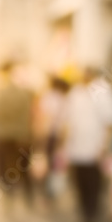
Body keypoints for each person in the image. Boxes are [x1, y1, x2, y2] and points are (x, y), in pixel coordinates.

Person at [61, 69, 112, 222]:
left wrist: (104, 146)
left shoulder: (102, 90)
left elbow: (109, 121)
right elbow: (68, 120)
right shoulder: (75, 93)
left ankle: (91, 213)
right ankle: (85, 212)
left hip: (93, 147)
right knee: (80, 182)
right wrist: (65, 145)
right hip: (77, 147)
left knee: (93, 182)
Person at [0, 61, 36, 203]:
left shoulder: (1, 94)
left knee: (5, 165)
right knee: (23, 166)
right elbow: (29, 115)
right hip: (21, 134)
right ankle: (28, 195)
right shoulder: (24, 94)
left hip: (4, 135)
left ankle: (9, 194)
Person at [36, 76, 69, 208]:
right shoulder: (64, 99)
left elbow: (44, 118)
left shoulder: (48, 98)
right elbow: (67, 122)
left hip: (48, 135)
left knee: (46, 165)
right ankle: (53, 193)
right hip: (59, 136)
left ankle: (46, 195)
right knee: (56, 166)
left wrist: (40, 136)